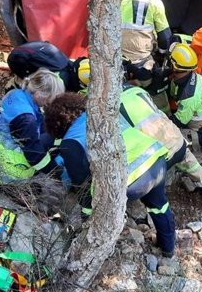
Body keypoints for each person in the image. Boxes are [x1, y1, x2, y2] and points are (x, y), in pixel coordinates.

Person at [44, 93, 176, 256]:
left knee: (97, 193)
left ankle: (100, 250)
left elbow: (83, 187)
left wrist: (87, 216)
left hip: (132, 180)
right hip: (156, 159)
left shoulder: (70, 143)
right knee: (159, 205)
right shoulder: (101, 112)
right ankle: (168, 249)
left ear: (57, 127)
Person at [76, 59, 202, 202]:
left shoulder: (102, 108)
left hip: (157, 155)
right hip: (177, 142)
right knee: (194, 168)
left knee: (155, 194)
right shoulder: (136, 90)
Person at [0, 67, 65, 184]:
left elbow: (39, 122)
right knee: (37, 181)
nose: (51, 102)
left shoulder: (15, 94)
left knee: (48, 139)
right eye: (50, 98)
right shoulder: (26, 119)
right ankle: (11, 186)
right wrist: (55, 171)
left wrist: (61, 141)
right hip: (5, 167)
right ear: (39, 94)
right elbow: (34, 154)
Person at [121, 0, 172, 92]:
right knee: (152, 92)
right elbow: (165, 38)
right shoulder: (155, 1)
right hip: (142, 65)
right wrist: (161, 54)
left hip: (115, 62)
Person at [7, 41, 83, 93]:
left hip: (27, 52)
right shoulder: (62, 79)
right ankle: (16, 87)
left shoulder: (71, 64)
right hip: (19, 60)